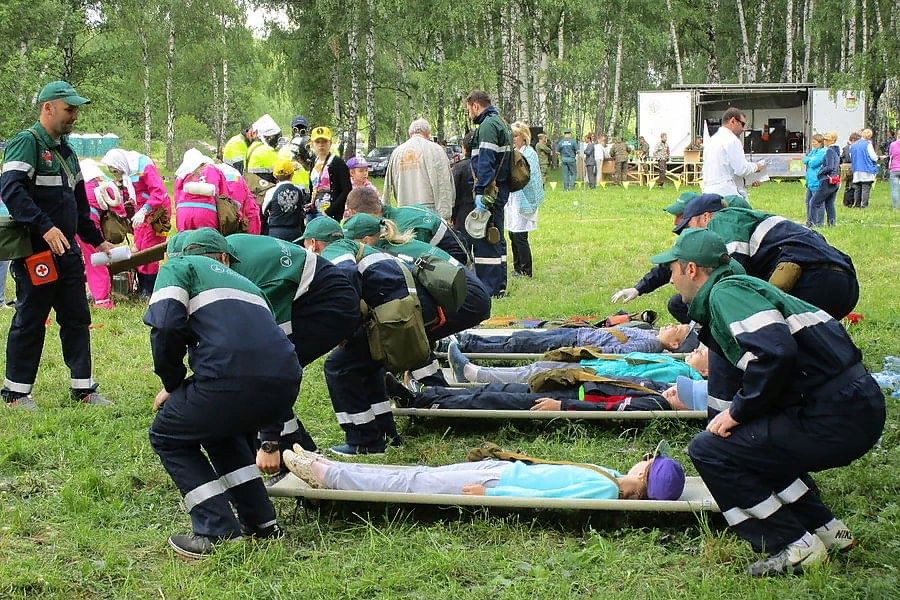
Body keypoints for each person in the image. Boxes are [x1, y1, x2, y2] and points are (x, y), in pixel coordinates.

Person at [648, 228, 885, 576]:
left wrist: (739, 412)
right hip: (850, 404)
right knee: (746, 442)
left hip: (837, 414)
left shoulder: (726, 296)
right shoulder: (738, 288)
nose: (670, 279)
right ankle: (829, 531)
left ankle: (795, 545)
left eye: (672, 270)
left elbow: (775, 352)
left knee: (707, 451)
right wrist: (736, 417)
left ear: (692, 269)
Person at [144, 242, 302, 558]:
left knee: (166, 435)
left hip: (230, 378)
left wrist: (173, 382)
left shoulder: (180, 267)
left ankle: (215, 530)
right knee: (217, 427)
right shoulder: (250, 285)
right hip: (285, 382)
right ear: (224, 258)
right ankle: (262, 522)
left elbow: (164, 324)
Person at [178, 228, 361, 479]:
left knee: (261, 376)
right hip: (305, 294)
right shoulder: (215, 252)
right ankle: (296, 449)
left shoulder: (258, 281)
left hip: (328, 303)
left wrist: (269, 441)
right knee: (246, 373)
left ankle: (292, 454)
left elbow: (274, 362)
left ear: (223, 259)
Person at [1, 81, 114, 409]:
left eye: (76, 110)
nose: (74, 116)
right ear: (47, 108)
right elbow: (11, 190)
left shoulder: (67, 152)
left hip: (68, 254)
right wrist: (44, 226)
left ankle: (83, 389)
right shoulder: (27, 143)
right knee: (31, 318)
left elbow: (79, 207)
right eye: (69, 109)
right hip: (37, 251)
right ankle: (16, 393)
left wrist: (98, 241)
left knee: (77, 317)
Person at [299, 216, 412, 455]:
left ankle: (364, 440)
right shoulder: (356, 247)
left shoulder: (335, 251)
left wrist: (343, 329)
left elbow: (344, 280)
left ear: (313, 244)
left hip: (386, 317)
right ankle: (387, 432)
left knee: (338, 367)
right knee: (368, 367)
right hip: (395, 315)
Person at [342, 212, 491, 386]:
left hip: (466, 299)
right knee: (414, 333)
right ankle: (432, 386)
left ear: (365, 240)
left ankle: (433, 391)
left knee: (405, 333)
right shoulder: (396, 242)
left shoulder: (379, 254)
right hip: (467, 292)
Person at [283, 442, 686, 501]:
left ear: (648, 472)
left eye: (649, 459)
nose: (643, 457)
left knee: (414, 483)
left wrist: (491, 495)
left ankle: (325, 472)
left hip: (498, 482)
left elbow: (547, 497)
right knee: (418, 473)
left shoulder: (605, 489)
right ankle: (334, 466)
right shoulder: (610, 476)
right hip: (502, 469)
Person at [676, 194, 859, 319]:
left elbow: (731, 276)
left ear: (705, 217)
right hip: (846, 283)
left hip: (812, 280)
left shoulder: (722, 220)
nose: (689, 235)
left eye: (689, 227)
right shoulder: (766, 222)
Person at [385, 371, 696, 412]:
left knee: (492, 400)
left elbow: (608, 410)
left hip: (567, 402)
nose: (672, 391)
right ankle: (429, 392)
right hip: (576, 389)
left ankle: (420, 401)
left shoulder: (654, 407)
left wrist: (562, 408)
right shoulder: (658, 392)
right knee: (499, 388)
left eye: (680, 395)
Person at [446, 342, 708, 387]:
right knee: (536, 369)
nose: (696, 349)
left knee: (534, 374)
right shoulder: (681, 369)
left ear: (706, 371)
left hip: (597, 376)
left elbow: (635, 376)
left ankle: (474, 374)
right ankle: (476, 373)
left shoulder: (683, 374)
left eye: (702, 352)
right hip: (598, 368)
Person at [101, 147, 170, 296]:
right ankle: (141, 287)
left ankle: (149, 290)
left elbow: (158, 191)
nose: (116, 175)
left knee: (149, 250)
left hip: (157, 212)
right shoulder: (128, 168)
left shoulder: (145, 166)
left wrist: (145, 209)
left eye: (115, 171)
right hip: (141, 211)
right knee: (138, 247)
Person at [345, 187, 470, 265]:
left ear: (354, 213)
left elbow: (413, 264)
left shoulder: (404, 228)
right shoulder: (401, 213)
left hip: (454, 263)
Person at [465, 90, 512, 298]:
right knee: (496, 238)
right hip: (500, 189)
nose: (469, 114)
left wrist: (481, 193)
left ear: (475, 105)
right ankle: (499, 286)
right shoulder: (499, 122)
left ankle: (489, 289)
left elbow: (486, 161)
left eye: (468, 109)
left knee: (485, 240)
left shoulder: (487, 127)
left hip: (490, 192)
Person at [445, 323, 696, 355]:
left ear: (674, 344)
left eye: (678, 329)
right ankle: (469, 338)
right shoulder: (652, 335)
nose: (673, 324)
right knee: (526, 336)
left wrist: (586, 346)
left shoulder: (651, 344)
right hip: (577, 334)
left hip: (577, 342)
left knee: (520, 343)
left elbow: (618, 353)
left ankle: (467, 343)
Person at [76, 159, 127, 309]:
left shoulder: (78, 185)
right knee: (97, 260)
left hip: (70, 223)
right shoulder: (102, 185)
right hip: (89, 224)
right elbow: (119, 210)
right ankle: (102, 300)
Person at [383, 119, 455, 221]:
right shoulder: (436, 150)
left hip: (405, 208)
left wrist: (385, 208)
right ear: (428, 133)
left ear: (410, 133)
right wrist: (446, 212)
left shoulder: (397, 152)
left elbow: (387, 184)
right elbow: (444, 181)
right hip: (430, 211)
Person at [701, 108, 766, 199]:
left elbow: (725, 170)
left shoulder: (711, 141)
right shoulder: (732, 140)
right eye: (742, 124)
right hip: (727, 194)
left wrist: (749, 181)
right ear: (733, 121)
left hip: (707, 192)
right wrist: (756, 167)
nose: (743, 129)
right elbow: (741, 169)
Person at [506, 121, 543, 278]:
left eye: (516, 136)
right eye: (512, 136)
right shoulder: (514, 152)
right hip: (514, 197)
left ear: (523, 137)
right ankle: (517, 267)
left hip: (525, 198)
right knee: (512, 234)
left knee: (521, 235)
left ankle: (526, 270)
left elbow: (531, 178)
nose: (513, 139)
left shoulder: (529, 153)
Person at [174, 149, 228, 233]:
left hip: (184, 211)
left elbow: (177, 198)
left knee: (184, 240)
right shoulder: (215, 170)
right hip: (207, 211)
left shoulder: (181, 176)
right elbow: (224, 196)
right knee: (205, 241)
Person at [308, 126, 351, 221]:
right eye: (317, 142)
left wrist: (330, 210)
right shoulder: (313, 162)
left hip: (329, 213)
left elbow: (346, 189)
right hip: (313, 211)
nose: (321, 145)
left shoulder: (337, 163)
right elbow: (313, 187)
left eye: (324, 141)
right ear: (312, 144)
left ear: (330, 143)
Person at [261, 158, 306, 241]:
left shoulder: (271, 192)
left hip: (276, 232)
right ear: (292, 174)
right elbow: (302, 210)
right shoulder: (299, 190)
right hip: (295, 231)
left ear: (275, 175)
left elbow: (264, 211)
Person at [214, 161, 261, 235]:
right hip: (236, 229)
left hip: (217, 228)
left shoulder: (208, 174)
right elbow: (252, 212)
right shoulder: (237, 177)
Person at [244, 114, 282, 204]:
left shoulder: (253, 147)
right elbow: (281, 169)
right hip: (264, 193)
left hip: (253, 190)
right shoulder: (266, 151)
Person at [809, 132, 840, 227]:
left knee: (813, 202)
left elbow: (830, 166)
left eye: (827, 139)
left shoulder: (829, 151)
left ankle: (814, 224)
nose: (825, 141)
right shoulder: (837, 151)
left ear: (832, 140)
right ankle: (832, 224)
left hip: (827, 180)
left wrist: (820, 172)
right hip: (835, 180)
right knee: (829, 204)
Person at [849, 128, 879, 208]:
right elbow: (873, 157)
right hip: (866, 168)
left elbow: (851, 156)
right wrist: (878, 158)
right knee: (866, 187)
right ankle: (864, 205)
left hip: (856, 168)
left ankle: (856, 204)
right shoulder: (868, 144)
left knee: (857, 187)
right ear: (869, 136)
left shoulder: (853, 145)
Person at [801, 134, 826, 226]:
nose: (813, 144)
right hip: (810, 182)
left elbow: (813, 163)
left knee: (817, 203)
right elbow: (804, 160)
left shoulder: (823, 152)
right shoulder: (814, 151)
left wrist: (809, 159)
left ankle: (819, 223)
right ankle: (810, 221)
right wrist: (809, 159)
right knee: (808, 202)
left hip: (817, 181)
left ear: (820, 142)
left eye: (814, 142)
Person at [839, 131, 860, 207]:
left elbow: (842, 157)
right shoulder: (855, 148)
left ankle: (846, 202)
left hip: (846, 168)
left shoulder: (845, 148)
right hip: (853, 167)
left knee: (848, 185)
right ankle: (851, 201)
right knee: (853, 185)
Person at [889, 130, 900, 210]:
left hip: (895, 168)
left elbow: (890, 154)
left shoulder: (893, 144)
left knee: (895, 189)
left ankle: (895, 208)